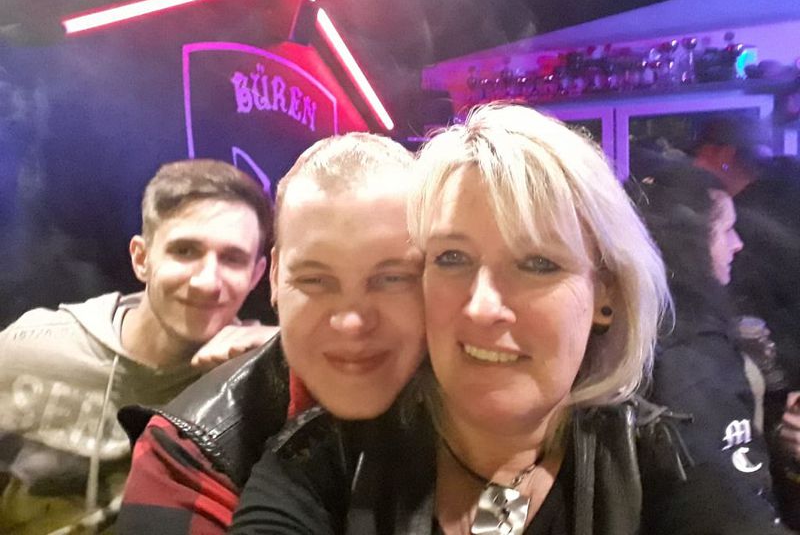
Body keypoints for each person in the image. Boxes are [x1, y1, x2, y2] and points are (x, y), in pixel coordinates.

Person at [231, 103, 790, 534]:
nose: (482, 307)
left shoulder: (661, 460)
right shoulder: (330, 461)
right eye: (452, 257)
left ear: (606, 293)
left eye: (538, 264)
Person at [115, 133, 426, 534]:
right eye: (315, 280)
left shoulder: (476, 395)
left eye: (393, 278)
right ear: (275, 277)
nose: (351, 322)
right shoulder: (185, 454)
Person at [0, 158, 277, 534]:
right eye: (185, 251)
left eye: (232, 259)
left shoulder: (260, 372)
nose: (207, 282)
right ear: (142, 258)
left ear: (257, 275)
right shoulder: (33, 349)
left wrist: (287, 349)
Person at [631, 163, 793, 529]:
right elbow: (723, 511)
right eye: (726, 229)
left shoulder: (644, 324)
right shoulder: (692, 354)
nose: (738, 243)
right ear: (691, 243)